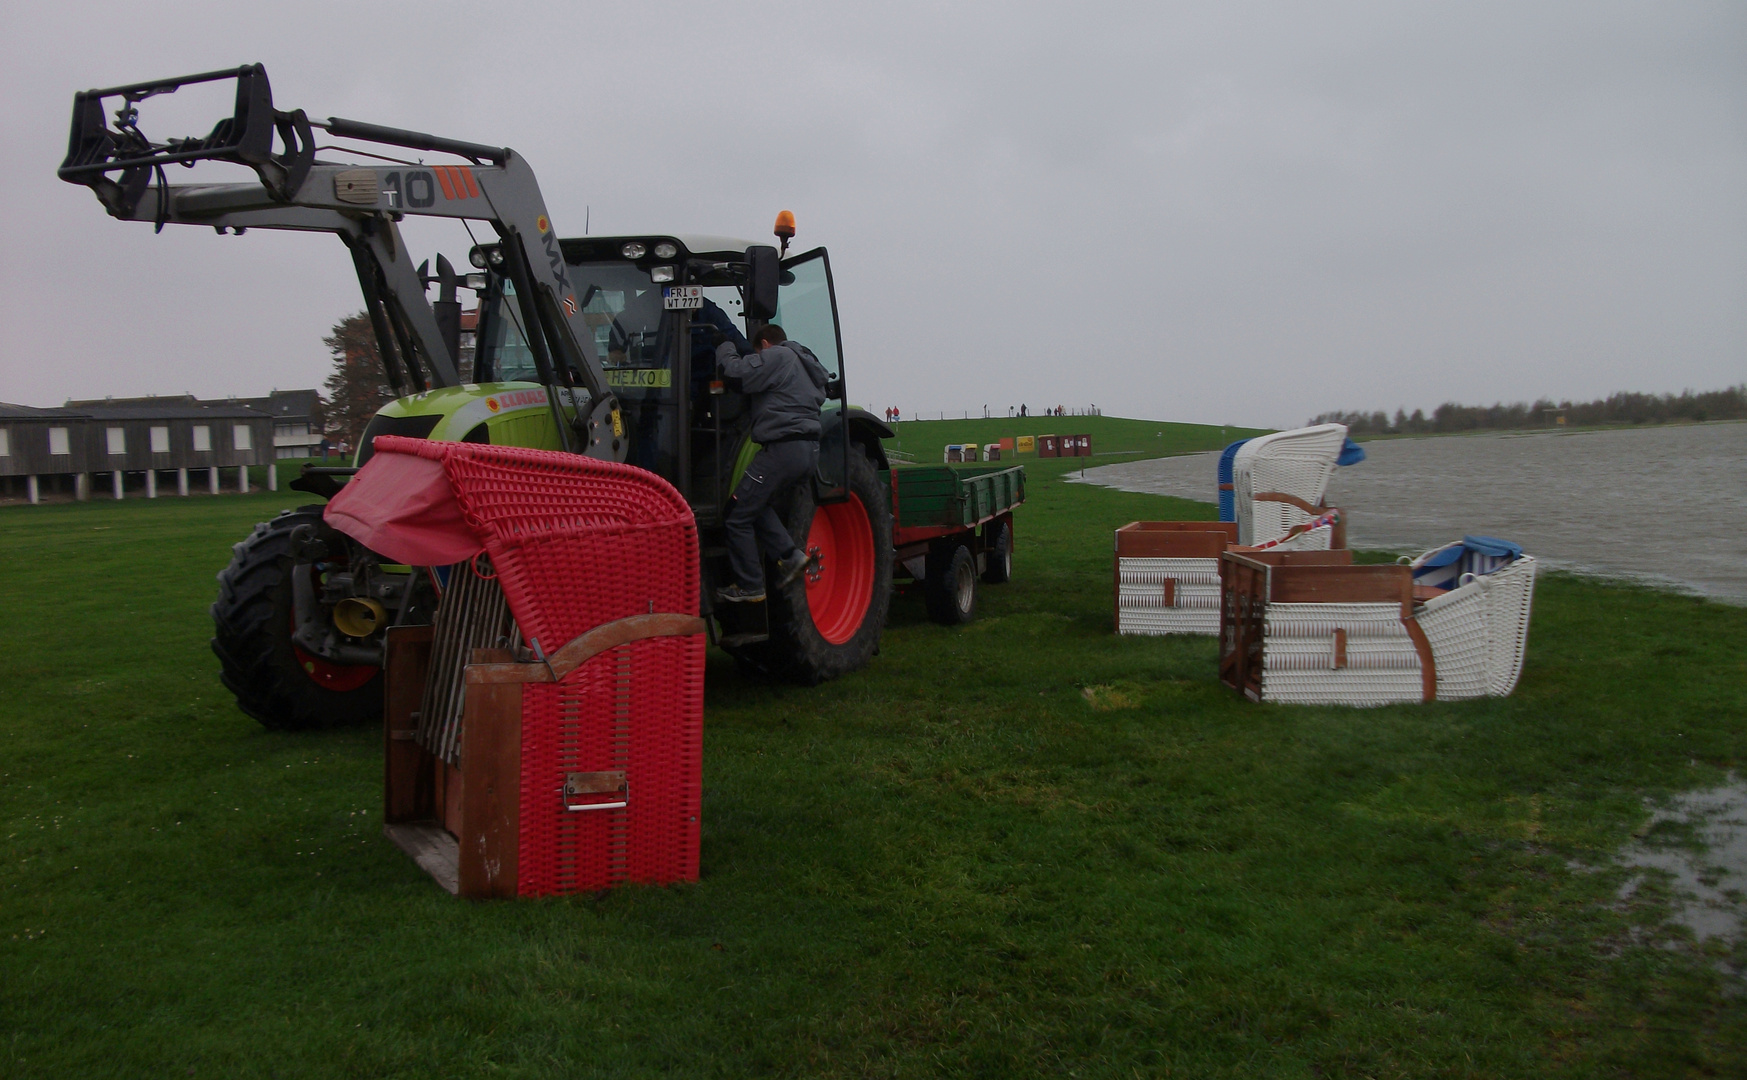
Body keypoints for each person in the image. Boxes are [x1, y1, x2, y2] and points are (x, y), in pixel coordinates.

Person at [714, 323, 831, 602]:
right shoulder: (805, 363)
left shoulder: (778, 355)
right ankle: (791, 556)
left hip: (781, 450)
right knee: (755, 503)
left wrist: (724, 345)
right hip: (807, 451)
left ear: (765, 344)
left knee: (735, 513)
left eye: (757, 354)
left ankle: (751, 585)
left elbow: (737, 374)